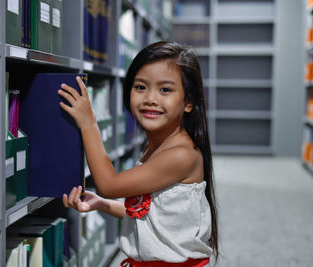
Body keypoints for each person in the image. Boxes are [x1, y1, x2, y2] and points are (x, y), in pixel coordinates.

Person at [58, 41, 218, 267]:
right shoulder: (157, 146)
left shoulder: (181, 155)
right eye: (141, 87)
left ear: (188, 102)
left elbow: (108, 184)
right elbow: (153, 216)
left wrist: (88, 123)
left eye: (165, 90)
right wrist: (102, 204)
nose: (150, 98)